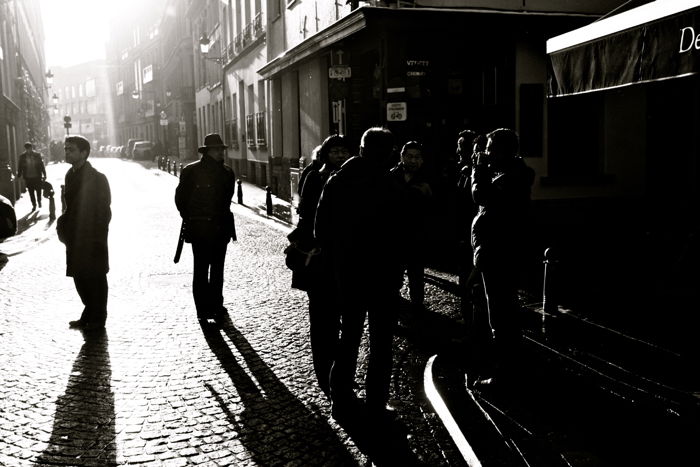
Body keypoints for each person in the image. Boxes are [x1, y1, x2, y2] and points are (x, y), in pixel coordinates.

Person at [315, 127, 403, 425]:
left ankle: (341, 402)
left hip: (349, 275)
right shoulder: (391, 183)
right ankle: (376, 403)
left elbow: (321, 231)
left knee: (348, 337)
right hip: (383, 276)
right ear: (390, 153)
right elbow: (402, 236)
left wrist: (339, 260)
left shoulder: (338, 180)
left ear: (361, 149)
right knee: (381, 343)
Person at [289, 134, 351, 397]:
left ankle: (339, 373)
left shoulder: (350, 179)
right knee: (321, 318)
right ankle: (324, 373)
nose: (339, 156)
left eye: (343, 152)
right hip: (318, 258)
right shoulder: (315, 177)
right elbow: (306, 214)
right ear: (326, 154)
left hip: (342, 260)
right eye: (335, 152)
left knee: (340, 317)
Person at [470, 128, 534, 382]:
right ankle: (507, 367)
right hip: (500, 251)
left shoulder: (511, 177)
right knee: (502, 309)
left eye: (490, 149)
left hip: (499, 253)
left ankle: (505, 374)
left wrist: (479, 170)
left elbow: (480, 195)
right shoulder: (513, 174)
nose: (487, 154)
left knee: (500, 312)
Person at [175, 133, 237, 323]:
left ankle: (217, 305)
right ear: (207, 151)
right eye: (217, 149)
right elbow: (180, 199)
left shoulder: (227, 172)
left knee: (218, 270)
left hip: (221, 228)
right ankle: (203, 309)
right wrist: (193, 218)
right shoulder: (191, 171)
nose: (221, 153)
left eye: (222, 149)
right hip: (201, 228)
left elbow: (227, 200)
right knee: (201, 270)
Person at [56, 135, 112, 331]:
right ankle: (88, 311)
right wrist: (63, 226)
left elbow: (105, 211)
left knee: (95, 277)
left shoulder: (98, 178)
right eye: (66, 149)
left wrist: (96, 235)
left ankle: (98, 318)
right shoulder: (69, 175)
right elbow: (68, 206)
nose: (67, 152)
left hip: (92, 237)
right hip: (74, 236)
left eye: (71, 149)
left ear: (84, 153)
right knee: (79, 277)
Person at [389, 141, 433, 309]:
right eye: (410, 157)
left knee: (416, 275)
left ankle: (417, 306)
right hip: (396, 235)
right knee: (395, 275)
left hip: (417, 235)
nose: (413, 161)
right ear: (402, 157)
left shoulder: (428, 178)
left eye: (417, 157)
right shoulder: (392, 176)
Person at [17, 142, 47, 210]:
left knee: (39, 190)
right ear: (25, 149)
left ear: (32, 148)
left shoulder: (37, 155)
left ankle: (39, 200)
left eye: (30, 148)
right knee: (31, 192)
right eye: (27, 149)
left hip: (37, 176)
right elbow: (20, 167)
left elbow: (41, 165)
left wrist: (44, 174)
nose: (28, 150)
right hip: (28, 177)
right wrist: (19, 175)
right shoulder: (22, 156)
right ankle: (34, 205)